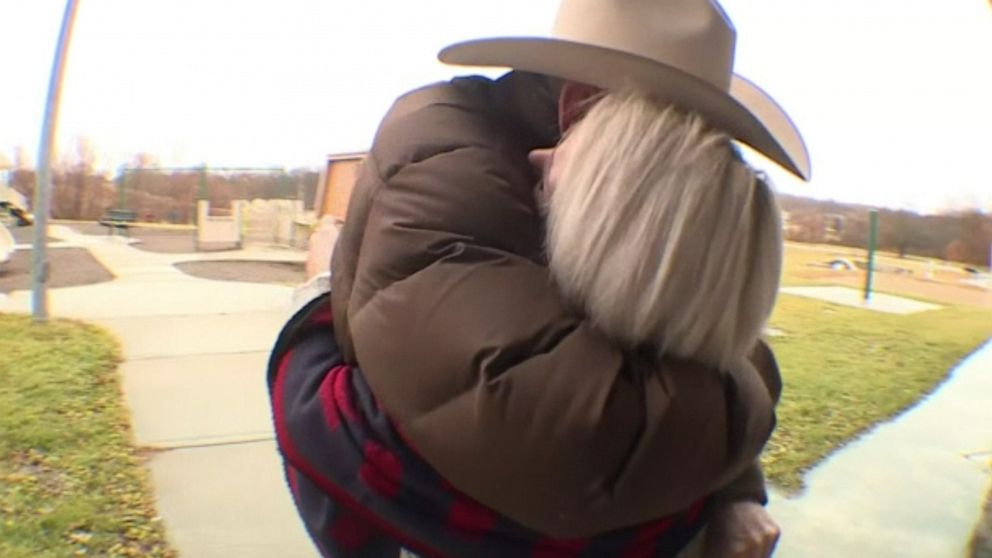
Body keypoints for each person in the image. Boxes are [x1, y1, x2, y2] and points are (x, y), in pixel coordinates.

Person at [268, 0, 810, 556]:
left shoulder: (670, 195)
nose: (537, 161)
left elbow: (678, 332)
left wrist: (735, 484)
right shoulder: (446, 159)